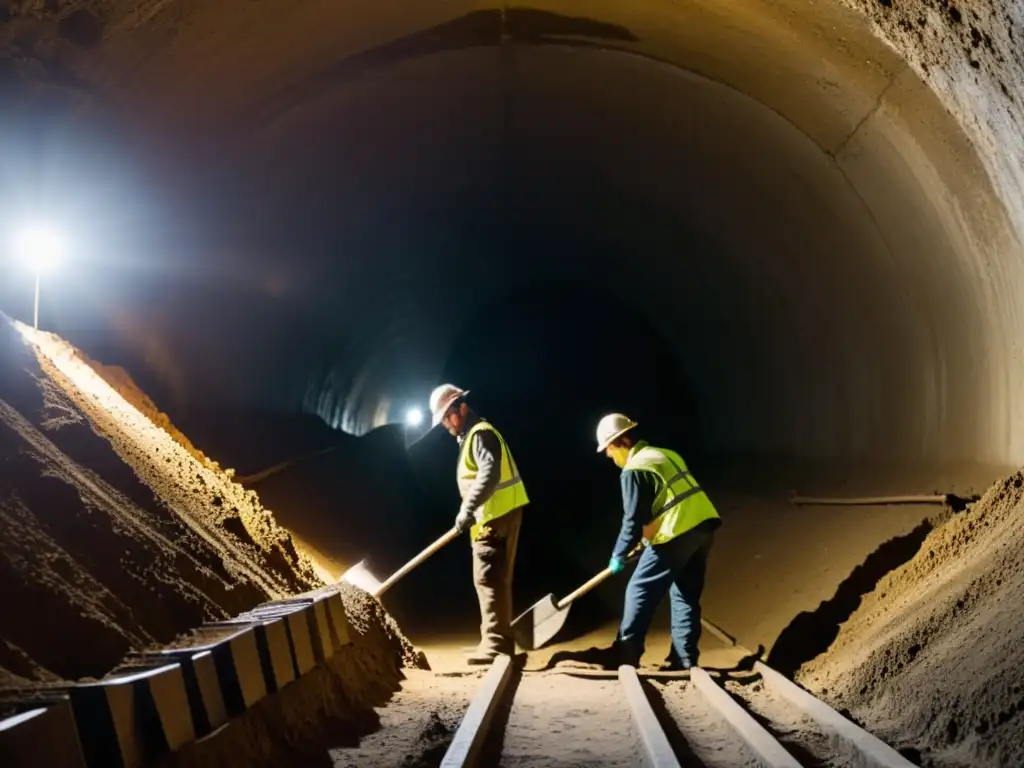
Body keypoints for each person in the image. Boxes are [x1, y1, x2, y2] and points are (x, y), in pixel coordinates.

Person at [595, 413, 721, 670]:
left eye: (608, 450)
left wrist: (618, 554)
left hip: (678, 531)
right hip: (704, 527)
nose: (609, 457)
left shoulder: (634, 469)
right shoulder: (665, 454)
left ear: (618, 442)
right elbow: (665, 504)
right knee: (685, 593)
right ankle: (684, 658)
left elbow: (633, 518)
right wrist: (644, 542)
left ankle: (626, 652)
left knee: (638, 589)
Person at [429, 384, 529, 665]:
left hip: (493, 517)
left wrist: (468, 508)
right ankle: (499, 639)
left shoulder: (480, 434)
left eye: (447, 417)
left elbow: (489, 473)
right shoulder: (475, 434)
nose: (446, 425)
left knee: (487, 578)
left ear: (461, 407)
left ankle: (495, 644)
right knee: (496, 579)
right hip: (501, 513)